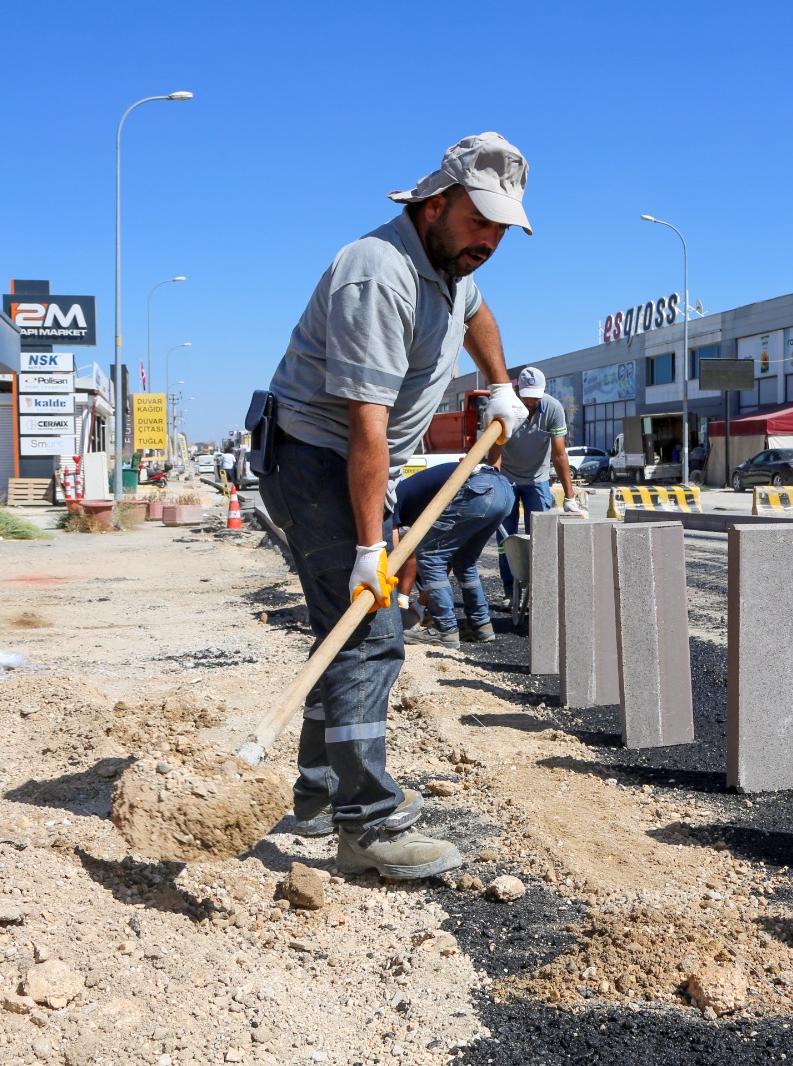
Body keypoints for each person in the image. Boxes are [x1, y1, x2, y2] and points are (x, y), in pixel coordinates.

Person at [258, 133, 532, 880]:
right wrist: (371, 549)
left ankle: (317, 798)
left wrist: (498, 384)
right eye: (480, 224)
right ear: (435, 204)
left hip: (342, 458)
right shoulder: (377, 274)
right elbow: (366, 430)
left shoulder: (450, 266)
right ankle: (366, 822)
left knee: (343, 633)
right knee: (370, 631)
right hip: (317, 460)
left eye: (502, 231)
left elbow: (477, 313)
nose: (490, 243)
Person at [394, 461, 514, 647]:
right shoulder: (414, 500)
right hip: (503, 489)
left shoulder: (391, 502)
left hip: (479, 488)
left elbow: (396, 555)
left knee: (429, 554)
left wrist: (398, 602)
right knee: (463, 559)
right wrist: (420, 605)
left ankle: (445, 629)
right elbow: (442, 560)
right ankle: (480, 625)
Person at [495, 366, 581, 601]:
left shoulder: (553, 408)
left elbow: (560, 454)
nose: (531, 401)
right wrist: (495, 481)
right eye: (527, 396)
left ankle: (538, 593)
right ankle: (509, 591)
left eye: (536, 396)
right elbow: (494, 447)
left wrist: (569, 497)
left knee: (541, 538)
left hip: (537, 480)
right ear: (517, 390)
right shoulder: (504, 407)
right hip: (507, 479)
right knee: (506, 540)